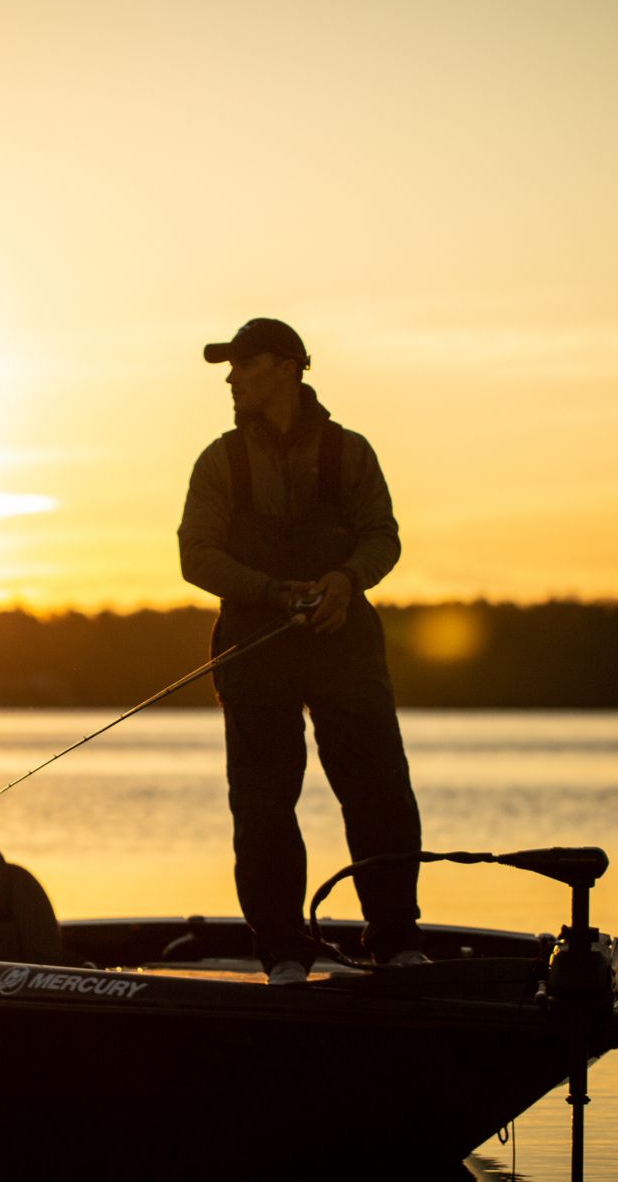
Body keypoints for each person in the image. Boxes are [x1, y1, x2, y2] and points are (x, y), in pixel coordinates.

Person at [177, 317, 425, 985]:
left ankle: (397, 941)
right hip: (255, 652)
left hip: (345, 648)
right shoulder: (219, 461)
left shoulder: (351, 453)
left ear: (287, 368)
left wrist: (345, 581)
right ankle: (283, 953)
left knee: (379, 796)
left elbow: (383, 537)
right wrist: (271, 592)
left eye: (243, 366)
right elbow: (195, 557)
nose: (231, 379)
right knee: (261, 805)